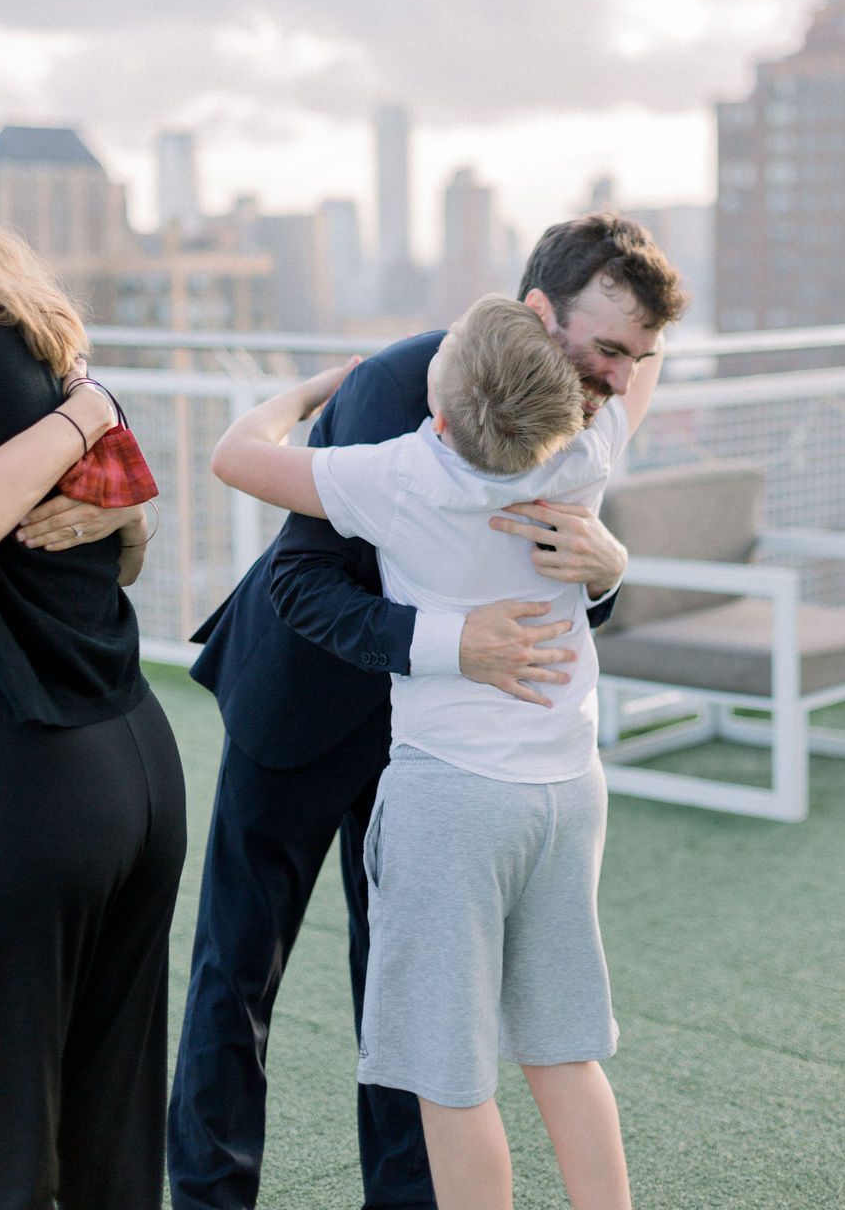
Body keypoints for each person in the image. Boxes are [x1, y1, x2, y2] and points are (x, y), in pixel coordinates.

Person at [168, 212, 685, 1210]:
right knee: (235, 976)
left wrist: (612, 568)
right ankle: (208, 1197)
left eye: (640, 356)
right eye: (611, 348)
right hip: (304, 704)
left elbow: (565, 576)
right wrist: (448, 645)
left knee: (401, 995)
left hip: (438, 758)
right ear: (541, 314)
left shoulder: (577, 416)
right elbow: (301, 581)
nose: (624, 377)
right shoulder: (398, 391)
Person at [0, 202, 187, 1210]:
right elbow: (124, 533)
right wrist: (91, 411)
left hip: (28, 772)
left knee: (0, 1150)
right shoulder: (18, 316)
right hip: (132, 756)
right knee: (110, 1143)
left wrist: (85, 416)